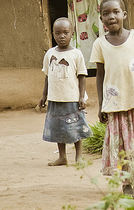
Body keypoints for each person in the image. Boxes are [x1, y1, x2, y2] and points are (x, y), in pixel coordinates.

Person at [90, 0, 134, 201]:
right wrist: (101, 104)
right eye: (106, 13)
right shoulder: (100, 44)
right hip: (115, 105)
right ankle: (127, 186)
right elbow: (100, 75)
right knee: (122, 147)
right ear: (101, 19)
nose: (111, 16)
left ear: (124, 15)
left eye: (115, 12)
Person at [39, 17, 92, 166]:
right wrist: (44, 95)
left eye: (65, 32)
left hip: (72, 98)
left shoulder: (76, 54)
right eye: (58, 33)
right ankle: (62, 157)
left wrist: (81, 97)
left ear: (72, 33)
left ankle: (79, 156)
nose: (62, 36)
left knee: (75, 126)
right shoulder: (49, 54)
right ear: (53, 35)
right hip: (55, 98)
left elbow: (82, 76)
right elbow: (47, 76)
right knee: (57, 127)